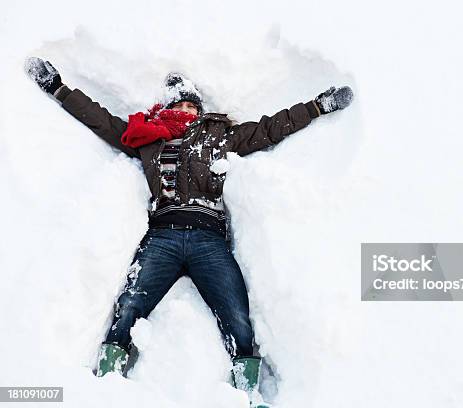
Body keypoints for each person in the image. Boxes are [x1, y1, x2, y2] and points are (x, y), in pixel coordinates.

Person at [25, 57, 353, 407]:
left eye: (190, 105)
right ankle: (108, 382)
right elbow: (102, 122)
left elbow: (272, 128)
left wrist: (319, 106)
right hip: (162, 238)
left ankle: (247, 394)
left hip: (208, 240)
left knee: (236, 314)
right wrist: (58, 87)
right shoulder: (147, 139)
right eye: (178, 105)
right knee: (129, 307)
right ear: (167, 108)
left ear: (199, 110)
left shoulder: (221, 136)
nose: (184, 110)